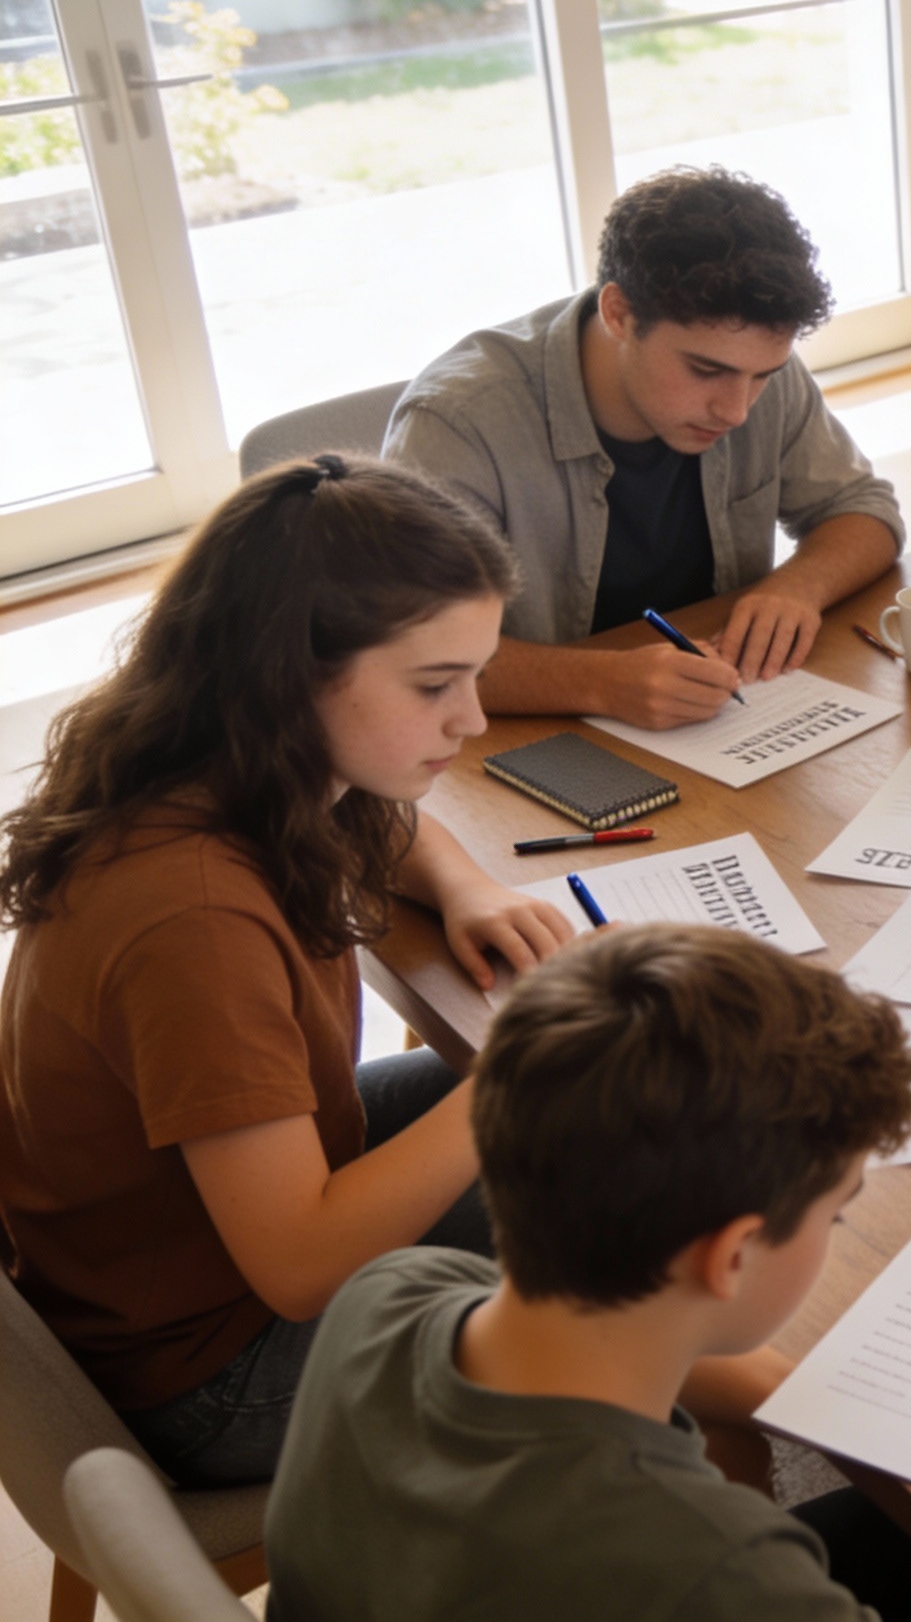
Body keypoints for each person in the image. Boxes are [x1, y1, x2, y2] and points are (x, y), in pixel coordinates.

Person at [265, 923, 911, 1622]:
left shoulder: (390, 1294)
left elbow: (619, 1350)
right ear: (730, 1256)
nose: (835, 1229)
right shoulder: (714, 1570)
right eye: (835, 1212)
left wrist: (842, 1400)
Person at [0, 456, 577, 1486]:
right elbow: (302, 1268)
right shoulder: (197, 921)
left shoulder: (226, 761)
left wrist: (464, 888)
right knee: (629, 1255)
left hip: (177, 1254)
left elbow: (381, 814)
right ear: (289, 673)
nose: (474, 719)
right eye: (437, 685)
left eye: (476, 675)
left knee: (615, 1128)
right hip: (213, 1371)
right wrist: (513, 1072)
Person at [386, 166, 904, 731]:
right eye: (706, 370)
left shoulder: (755, 370)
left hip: (714, 725)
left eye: (763, 376)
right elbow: (414, 652)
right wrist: (602, 682)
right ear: (619, 314)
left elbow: (864, 509)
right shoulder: (458, 424)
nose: (737, 409)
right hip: (522, 742)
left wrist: (800, 585)